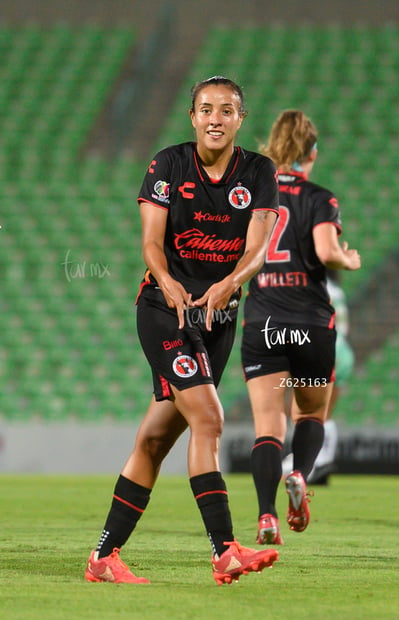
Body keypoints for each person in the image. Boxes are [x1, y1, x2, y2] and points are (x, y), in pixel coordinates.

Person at [85, 76, 279, 585]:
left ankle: (104, 557)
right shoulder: (167, 165)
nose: (215, 118)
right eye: (206, 109)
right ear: (192, 117)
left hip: (217, 318)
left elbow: (257, 250)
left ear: (241, 118)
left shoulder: (259, 171)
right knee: (210, 420)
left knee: (153, 440)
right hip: (163, 310)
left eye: (227, 110)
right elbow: (151, 242)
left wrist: (231, 283)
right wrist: (169, 282)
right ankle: (225, 550)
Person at [240, 109, 361, 545]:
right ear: (311, 153)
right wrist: (347, 258)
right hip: (309, 326)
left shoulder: (252, 194)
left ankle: (266, 515)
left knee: (267, 427)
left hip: (264, 325)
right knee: (310, 413)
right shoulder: (320, 197)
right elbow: (327, 251)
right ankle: (299, 475)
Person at [306, 268, 356, 484]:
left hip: (325, 348)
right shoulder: (337, 290)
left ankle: (315, 462)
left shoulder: (315, 289)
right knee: (326, 412)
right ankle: (325, 460)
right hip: (343, 350)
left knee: (307, 410)